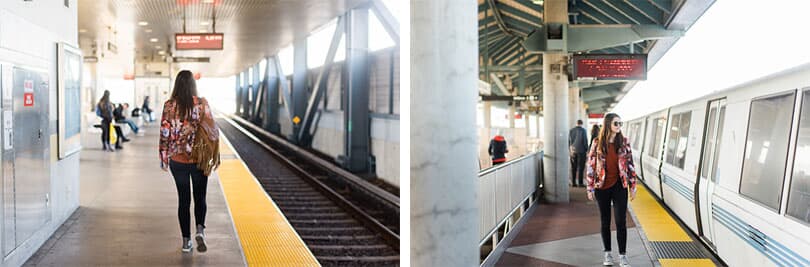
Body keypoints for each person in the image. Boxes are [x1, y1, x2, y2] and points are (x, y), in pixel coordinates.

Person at [159, 70, 219, 253]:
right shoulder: (202, 104)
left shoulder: (169, 106)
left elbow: (164, 132)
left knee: (183, 201)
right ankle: (200, 230)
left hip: (178, 161)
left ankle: (186, 243)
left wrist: (164, 157)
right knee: (200, 197)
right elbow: (212, 131)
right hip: (199, 159)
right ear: (193, 85)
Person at [586, 113, 638, 267]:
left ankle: (623, 255)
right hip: (601, 187)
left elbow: (630, 165)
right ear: (608, 124)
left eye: (620, 123)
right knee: (605, 221)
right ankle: (607, 253)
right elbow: (591, 166)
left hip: (619, 186)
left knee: (621, 221)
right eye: (616, 123)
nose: (619, 126)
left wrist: (633, 186)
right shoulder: (597, 143)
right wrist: (589, 188)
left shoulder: (624, 142)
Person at [569, 119, 588, 187]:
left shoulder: (571, 131)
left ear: (576, 123)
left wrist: (570, 150)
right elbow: (585, 141)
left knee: (573, 167)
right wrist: (587, 150)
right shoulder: (583, 131)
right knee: (581, 167)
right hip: (581, 151)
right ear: (581, 124)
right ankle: (580, 183)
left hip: (573, 151)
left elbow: (569, 141)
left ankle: (573, 183)